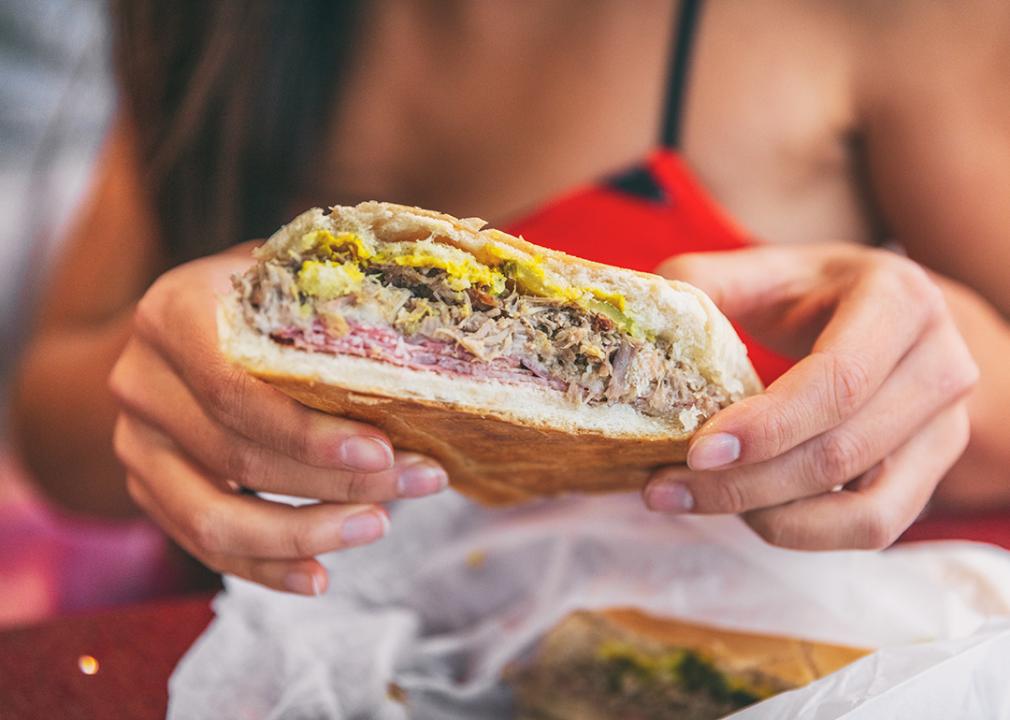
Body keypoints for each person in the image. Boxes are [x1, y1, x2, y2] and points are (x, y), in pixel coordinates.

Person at [11, 1, 1009, 595]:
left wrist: (931, 361)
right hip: (301, 653)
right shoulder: (223, 21)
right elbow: (52, 421)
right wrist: (186, 378)